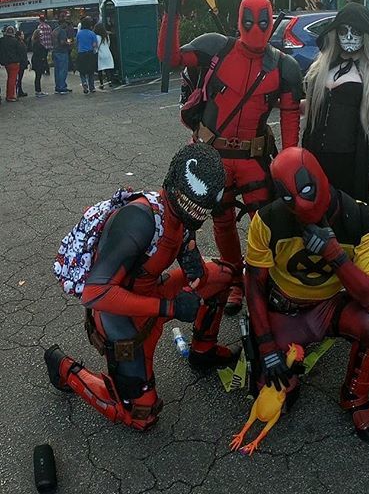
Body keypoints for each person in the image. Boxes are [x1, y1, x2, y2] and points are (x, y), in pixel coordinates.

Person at [44, 143, 239, 431]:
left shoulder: (183, 215)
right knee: (140, 414)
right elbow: (96, 293)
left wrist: (192, 262)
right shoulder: (140, 219)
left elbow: (184, 240)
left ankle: (203, 350)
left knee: (223, 275)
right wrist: (170, 307)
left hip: (153, 292)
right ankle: (63, 368)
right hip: (120, 315)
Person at [158, 0, 303, 333]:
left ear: (271, 21)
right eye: (249, 20)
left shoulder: (284, 66)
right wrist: (171, 12)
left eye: (263, 20)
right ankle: (236, 279)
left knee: (265, 224)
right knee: (221, 222)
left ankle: (263, 282)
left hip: (253, 159)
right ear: (239, 19)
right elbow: (170, 57)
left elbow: (290, 118)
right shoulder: (216, 48)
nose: (256, 27)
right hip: (215, 158)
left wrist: (289, 164)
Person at [245, 147, 369, 442]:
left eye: (306, 189)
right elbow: (253, 286)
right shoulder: (267, 220)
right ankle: (288, 363)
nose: (301, 203)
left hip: (330, 307)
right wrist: (265, 347)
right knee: (276, 397)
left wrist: (335, 255)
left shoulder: (363, 219)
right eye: (290, 197)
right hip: (284, 310)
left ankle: (355, 397)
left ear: (322, 178)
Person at [302, 2, 369, 291]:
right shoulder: (324, 66)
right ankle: (323, 280)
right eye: (343, 31)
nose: (349, 37)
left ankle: (356, 281)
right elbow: (310, 109)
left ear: (366, 36)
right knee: (322, 217)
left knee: (352, 221)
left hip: (354, 161)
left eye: (355, 31)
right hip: (320, 158)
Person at [0, 26, 22, 102]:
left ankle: (9, 94)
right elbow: (20, 52)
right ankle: (10, 96)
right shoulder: (15, 41)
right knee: (12, 79)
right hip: (14, 62)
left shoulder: (1, 40)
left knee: (10, 79)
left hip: (6, 63)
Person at [76, 17, 98, 94]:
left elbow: (77, 43)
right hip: (90, 53)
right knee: (90, 71)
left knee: (82, 71)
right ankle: (92, 87)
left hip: (81, 53)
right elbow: (95, 45)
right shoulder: (92, 33)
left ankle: (84, 83)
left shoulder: (79, 33)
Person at [52, 19, 72, 94]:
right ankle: (62, 87)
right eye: (66, 23)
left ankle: (58, 87)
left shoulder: (54, 31)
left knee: (57, 70)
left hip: (55, 51)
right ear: (63, 23)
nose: (66, 25)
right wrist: (69, 43)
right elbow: (62, 42)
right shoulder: (62, 31)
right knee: (63, 70)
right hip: (62, 52)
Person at [94, 23, 115, 88]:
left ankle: (101, 84)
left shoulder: (96, 37)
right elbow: (109, 44)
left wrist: (95, 51)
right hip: (108, 53)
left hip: (100, 54)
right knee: (108, 69)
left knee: (100, 69)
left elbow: (95, 46)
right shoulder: (106, 36)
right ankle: (110, 82)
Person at [31, 30, 49, 97]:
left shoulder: (36, 43)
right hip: (38, 61)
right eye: (40, 34)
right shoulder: (37, 43)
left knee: (38, 76)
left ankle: (38, 90)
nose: (42, 36)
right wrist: (43, 57)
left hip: (37, 61)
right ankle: (38, 91)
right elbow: (38, 53)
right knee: (38, 76)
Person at [15, 29, 29, 97]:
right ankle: (18, 91)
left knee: (20, 77)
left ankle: (19, 91)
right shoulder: (19, 43)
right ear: (19, 36)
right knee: (19, 78)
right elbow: (21, 54)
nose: (23, 35)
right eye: (22, 34)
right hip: (21, 63)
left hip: (22, 62)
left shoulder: (21, 42)